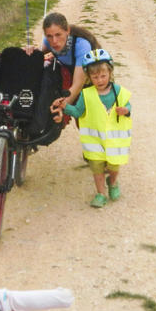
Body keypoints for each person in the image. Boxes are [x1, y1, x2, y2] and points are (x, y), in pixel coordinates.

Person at [53, 48, 132, 208]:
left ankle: (113, 182)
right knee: (97, 169)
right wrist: (65, 106)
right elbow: (77, 111)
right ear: (89, 77)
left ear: (110, 72)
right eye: (95, 77)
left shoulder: (119, 92)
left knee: (113, 167)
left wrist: (126, 110)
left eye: (103, 75)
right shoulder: (86, 94)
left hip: (114, 143)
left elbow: (128, 105)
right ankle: (101, 193)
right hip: (95, 142)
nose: (100, 80)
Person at [29, 12, 95, 111]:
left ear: (67, 31)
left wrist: (62, 107)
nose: (54, 41)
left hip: (93, 83)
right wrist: (29, 51)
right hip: (70, 81)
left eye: (58, 35)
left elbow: (78, 84)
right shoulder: (48, 42)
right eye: (49, 36)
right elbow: (37, 56)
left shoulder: (81, 46)